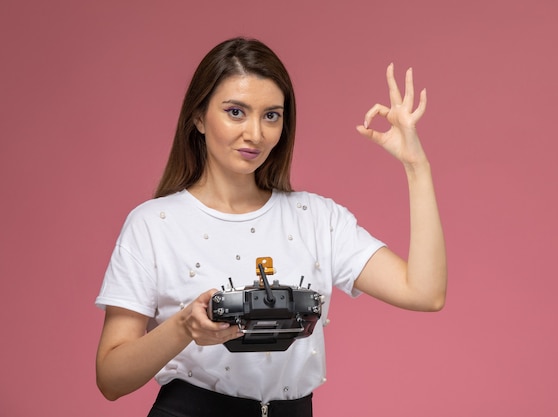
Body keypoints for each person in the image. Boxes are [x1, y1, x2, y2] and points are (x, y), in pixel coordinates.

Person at [95, 37, 447, 417]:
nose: (256, 134)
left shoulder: (317, 219)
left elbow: (425, 293)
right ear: (198, 117)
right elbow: (111, 379)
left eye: (271, 115)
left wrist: (416, 167)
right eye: (235, 112)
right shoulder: (153, 224)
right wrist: (183, 327)